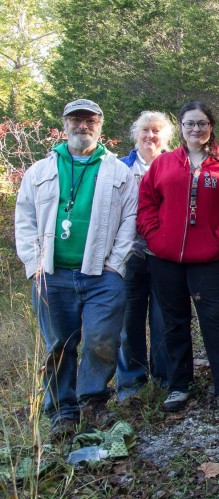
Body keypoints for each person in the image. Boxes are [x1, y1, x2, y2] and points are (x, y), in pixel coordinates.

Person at [15, 99, 138, 439]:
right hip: (52, 274)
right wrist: (34, 265)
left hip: (102, 274)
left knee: (102, 340)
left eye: (90, 121)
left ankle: (93, 400)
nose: (83, 126)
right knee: (58, 344)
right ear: (65, 124)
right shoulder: (40, 171)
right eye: (76, 120)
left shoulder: (118, 172)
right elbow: (24, 219)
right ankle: (62, 411)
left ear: (100, 125)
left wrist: (116, 264)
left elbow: (130, 220)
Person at [137, 101, 219, 420]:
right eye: (189, 124)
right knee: (174, 322)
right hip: (165, 259)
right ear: (181, 127)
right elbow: (147, 202)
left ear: (210, 126)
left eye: (201, 123)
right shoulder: (164, 163)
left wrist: (218, 241)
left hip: (208, 260)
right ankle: (180, 383)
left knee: (215, 320)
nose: (196, 129)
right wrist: (155, 236)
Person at [116, 110, 175, 400]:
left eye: (156, 131)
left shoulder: (177, 166)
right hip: (128, 255)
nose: (150, 136)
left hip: (165, 254)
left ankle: (164, 379)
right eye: (145, 130)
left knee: (164, 318)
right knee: (129, 319)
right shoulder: (118, 168)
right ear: (136, 134)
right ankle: (131, 383)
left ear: (166, 137)